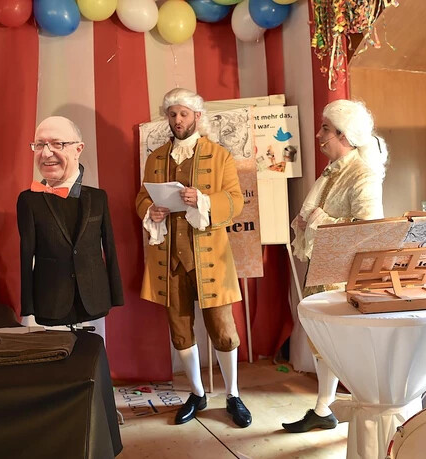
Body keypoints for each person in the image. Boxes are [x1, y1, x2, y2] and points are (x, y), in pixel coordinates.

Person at [135, 88, 252, 428]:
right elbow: (141, 197)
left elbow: (234, 201)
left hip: (210, 256)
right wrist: (150, 210)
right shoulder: (155, 158)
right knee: (180, 330)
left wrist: (203, 199)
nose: (177, 120)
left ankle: (233, 395)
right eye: (172, 114)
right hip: (169, 257)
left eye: (184, 114)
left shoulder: (219, 156)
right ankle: (198, 393)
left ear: (197, 116)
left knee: (224, 331)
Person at [283, 99, 388, 433]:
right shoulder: (333, 170)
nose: (319, 134)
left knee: (343, 347)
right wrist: (306, 222)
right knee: (321, 343)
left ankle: (364, 414)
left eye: (325, 129)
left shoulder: (363, 173)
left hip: (345, 277)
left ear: (344, 134)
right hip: (325, 268)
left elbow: (369, 229)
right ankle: (323, 406)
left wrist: (318, 219)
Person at [17, 116, 123, 327]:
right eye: (39, 145)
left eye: (58, 144)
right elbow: (26, 256)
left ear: (78, 149)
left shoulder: (98, 198)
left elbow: (109, 248)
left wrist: (115, 295)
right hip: (51, 302)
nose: (46, 153)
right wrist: (27, 307)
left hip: (94, 299)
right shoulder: (29, 200)